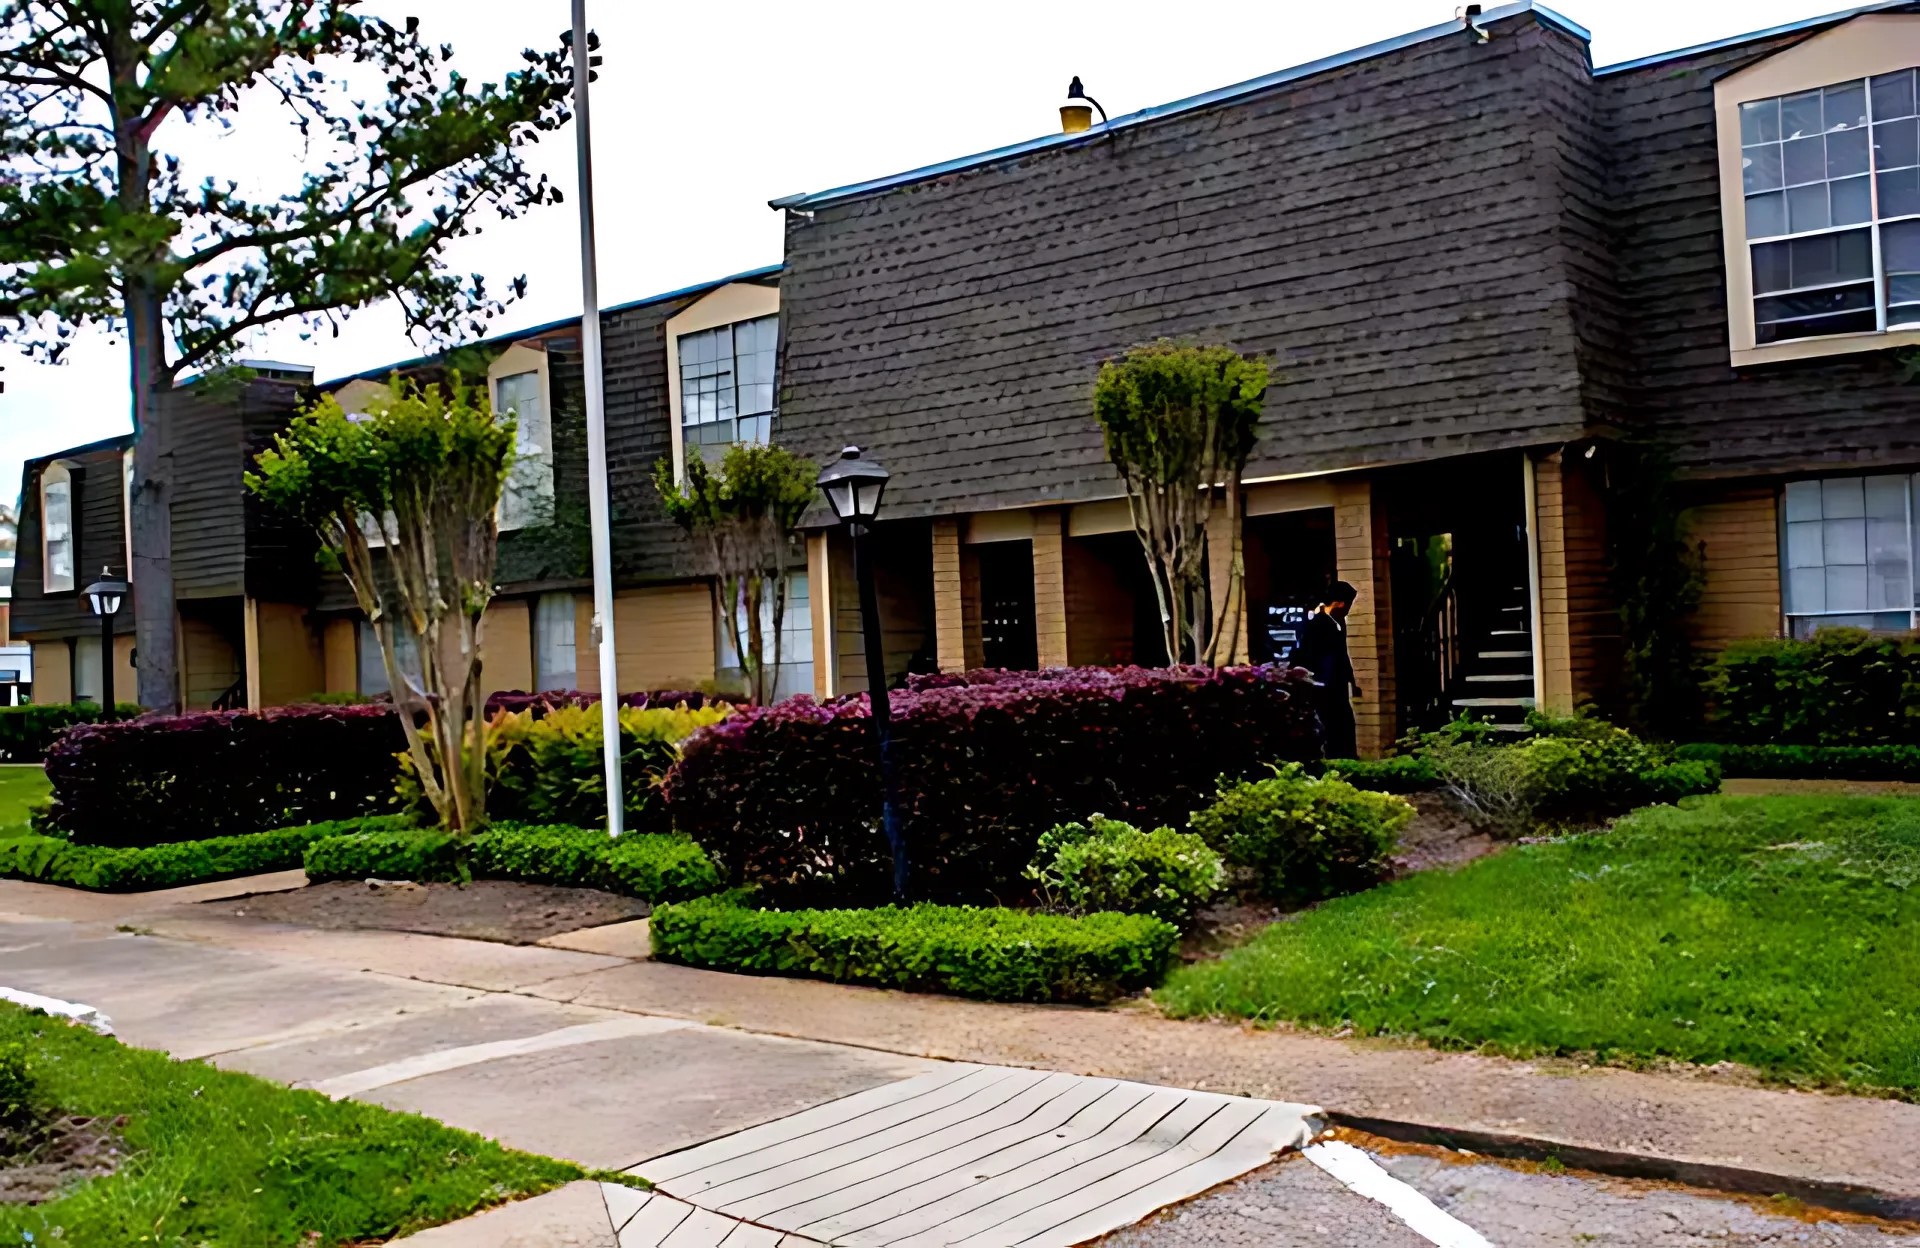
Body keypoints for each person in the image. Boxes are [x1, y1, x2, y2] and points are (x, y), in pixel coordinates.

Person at [1296, 580, 1360, 759]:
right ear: (1339, 603)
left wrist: (1351, 680)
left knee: (1345, 722)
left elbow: (1342, 653)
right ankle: (1336, 758)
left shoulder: (1339, 623)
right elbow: (1309, 654)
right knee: (1332, 723)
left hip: (1337, 682)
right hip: (1325, 683)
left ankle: (1347, 756)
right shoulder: (1318, 624)